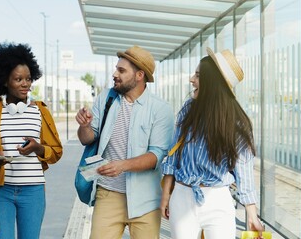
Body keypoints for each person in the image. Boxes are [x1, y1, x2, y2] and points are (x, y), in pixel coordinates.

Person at [160, 48, 265, 239]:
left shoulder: (237, 122)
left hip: (218, 199)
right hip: (183, 195)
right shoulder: (188, 109)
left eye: (198, 75)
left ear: (213, 83)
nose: (192, 79)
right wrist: (166, 195)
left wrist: (252, 215)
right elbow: (173, 155)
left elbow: (244, 171)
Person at [75, 45, 174, 239]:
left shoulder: (160, 110)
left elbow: (157, 156)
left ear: (139, 75)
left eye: (121, 70)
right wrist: (85, 126)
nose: (115, 74)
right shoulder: (106, 98)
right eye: (116, 69)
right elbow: (86, 139)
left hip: (146, 199)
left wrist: (123, 166)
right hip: (108, 194)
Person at [0, 42, 63, 239]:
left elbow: (56, 152)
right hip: (2, 192)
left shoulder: (41, 111)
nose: (25, 84)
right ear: (4, 81)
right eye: (18, 79)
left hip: (33, 191)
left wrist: (38, 148)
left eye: (28, 79)